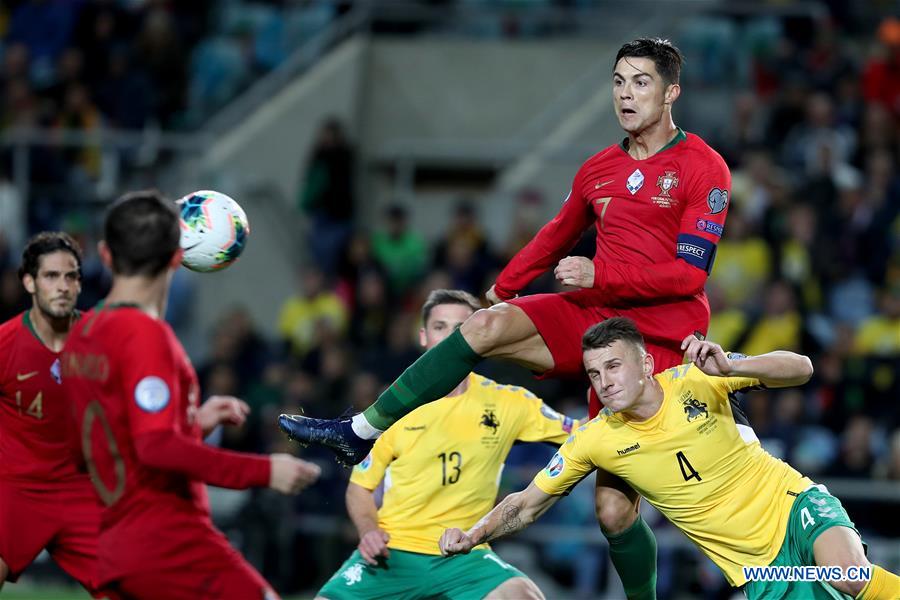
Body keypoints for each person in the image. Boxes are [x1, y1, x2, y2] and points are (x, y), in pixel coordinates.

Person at [282, 36, 730, 600]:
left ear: (670, 93)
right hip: (595, 320)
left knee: (614, 512)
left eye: (641, 83)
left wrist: (601, 276)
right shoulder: (598, 169)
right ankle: (359, 432)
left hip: (658, 341)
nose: (625, 94)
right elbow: (556, 234)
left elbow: (688, 277)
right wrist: (503, 287)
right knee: (482, 327)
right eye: (618, 82)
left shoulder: (704, 168)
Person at [439, 318, 900, 600]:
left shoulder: (697, 378)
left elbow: (802, 368)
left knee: (850, 577)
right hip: (759, 570)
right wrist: (474, 534)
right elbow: (526, 504)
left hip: (794, 504)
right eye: (594, 373)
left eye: (613, 366)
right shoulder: (595, 440)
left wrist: (735, 366)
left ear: (645, 365)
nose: (604, 382)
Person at [62, 191, 322, 600]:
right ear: (176, 258)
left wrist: (192, 423)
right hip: (170, 542)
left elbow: (112, 440)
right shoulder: (146, 336)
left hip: (112, 543)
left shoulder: (82, 334)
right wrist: (264, 471)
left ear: (105, 254)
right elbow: (155, 446)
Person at [316, 290, 580, 600]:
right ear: (423, 337)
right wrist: (369, 531)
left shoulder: (510, 402)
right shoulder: (391, 406)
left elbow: (583, 433)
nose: (449, 338)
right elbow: (360, 487)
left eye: (460, 329)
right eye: (440, 327)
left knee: (523, 596)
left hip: (464, 553)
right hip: (395, 550)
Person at [0, 232, 100, 594]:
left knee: (138, 585)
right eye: (51, 276)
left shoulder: (104, 340)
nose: (62, 286)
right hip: (16, 491)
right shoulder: (5, 345)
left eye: (71, 276)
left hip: (83, 491)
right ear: (29, 282)